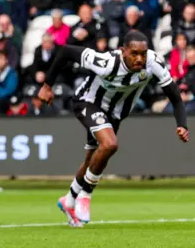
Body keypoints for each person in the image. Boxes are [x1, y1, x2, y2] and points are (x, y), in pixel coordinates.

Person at [38, 31, 189, 228]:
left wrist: (182, 124)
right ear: (122, 51)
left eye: (143, 54)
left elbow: (176, 97)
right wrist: (47, 85)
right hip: (88, 102)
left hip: (115, 114)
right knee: (110, 144)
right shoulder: (106, 62)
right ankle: (85, 196)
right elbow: (66, 51)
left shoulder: (153, 63)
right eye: (134, 53)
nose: (139, 58)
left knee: (92, 160)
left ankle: (68, 201)